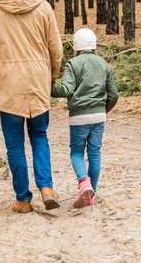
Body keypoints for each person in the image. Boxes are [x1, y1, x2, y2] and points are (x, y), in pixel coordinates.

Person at [0, 0, 63, 213]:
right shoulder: (43, 6)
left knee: (14, 144)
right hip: (37, 80)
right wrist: (50, 77)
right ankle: (46, 187)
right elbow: (55, 48)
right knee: (39, 135)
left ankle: (23, 199)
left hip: (8, 81)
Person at [51, 28, 118, 208]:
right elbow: (114, 94)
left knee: (76, 152)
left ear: (76, 46)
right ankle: (90, 194)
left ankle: (84, 183)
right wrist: (103, 110)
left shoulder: (73, 64)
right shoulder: (103, 63)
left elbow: (66, 90)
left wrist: (47, 88)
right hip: (98, 116)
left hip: (79, 117)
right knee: (95, 154)